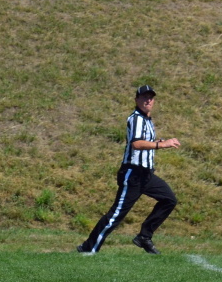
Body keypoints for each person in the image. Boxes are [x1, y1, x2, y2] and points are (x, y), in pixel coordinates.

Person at [77, 85, 181, 255]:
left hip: (146, 175)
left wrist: (159, 141)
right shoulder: (135, 119)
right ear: (136, 100)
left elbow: (145, 141)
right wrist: (161, 144)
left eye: (151, 97)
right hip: (133, 174)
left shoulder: (147, 120)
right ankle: (88, 248)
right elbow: (136, 143)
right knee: (117, 214)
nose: (148, 100)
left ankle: (144, 236)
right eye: (144, 97)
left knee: (169, 199)